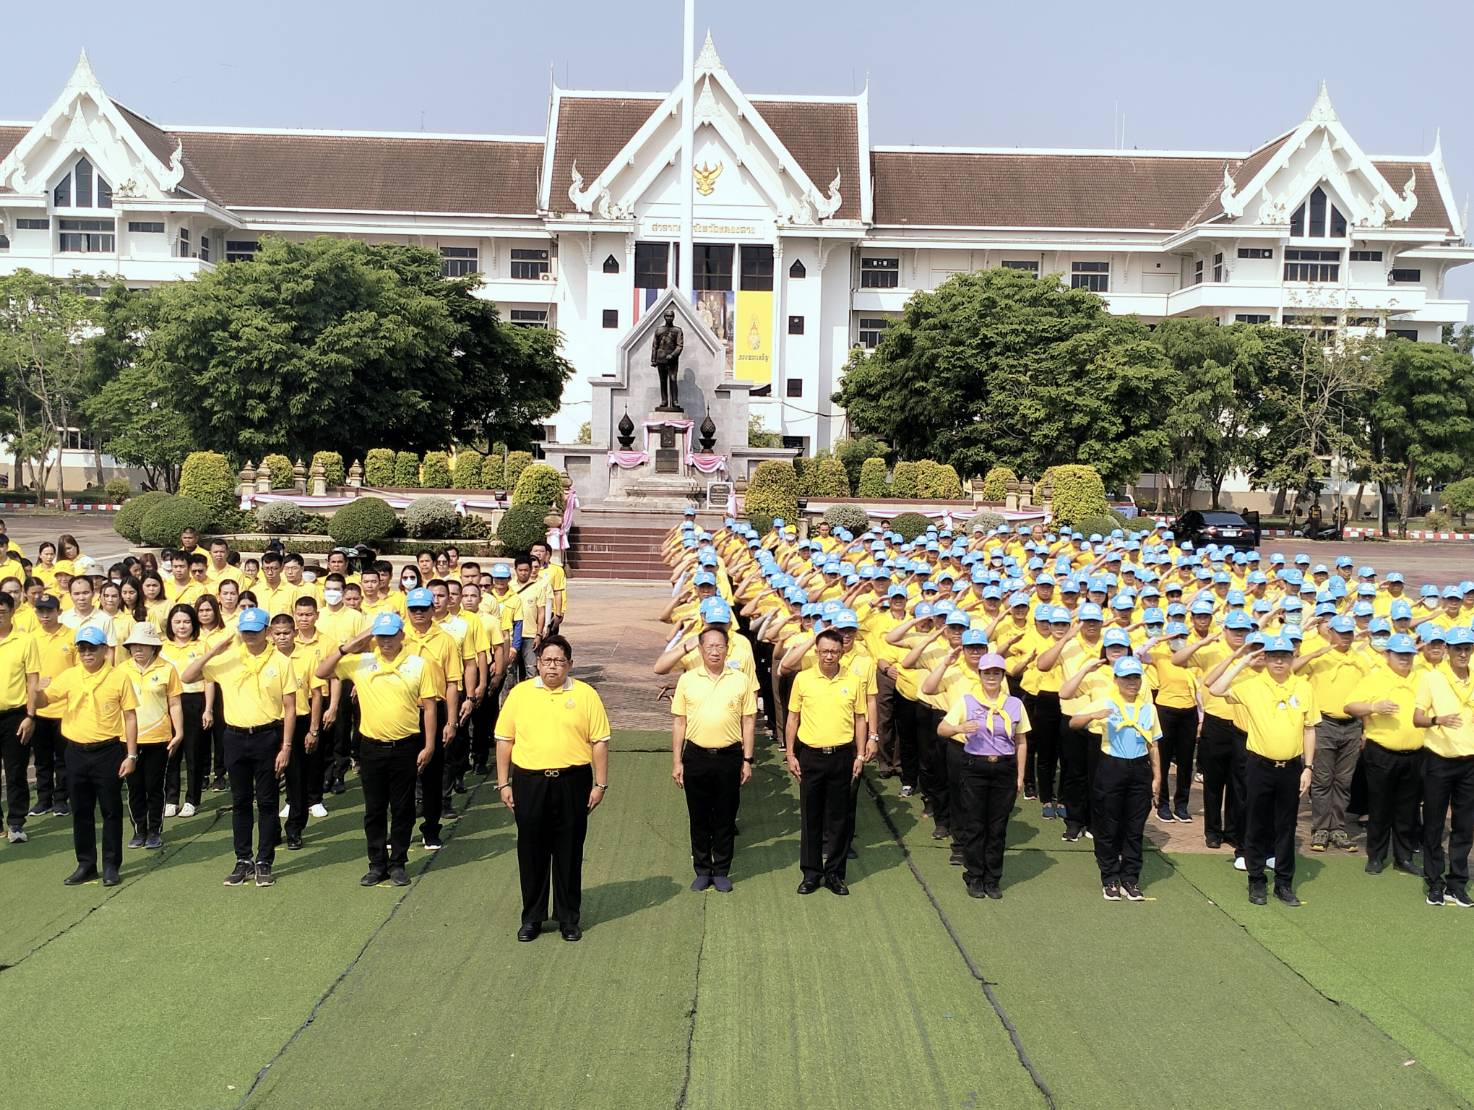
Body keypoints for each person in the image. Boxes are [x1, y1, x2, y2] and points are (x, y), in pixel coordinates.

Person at [494, 635, 611, 942]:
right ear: (537, 663)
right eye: (547, 660)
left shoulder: (586, 695)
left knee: (569, 849)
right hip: (529, 782)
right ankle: (532, 917)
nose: (553, 667)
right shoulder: (520, 694)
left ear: (570, 665)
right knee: (531, 850)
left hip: (573, 780)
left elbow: (599, 741)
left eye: (560, 661)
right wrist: (503, 781)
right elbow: (504, 740)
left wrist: (600, 783)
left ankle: (568, 917)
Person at [316, 612, 440, 886]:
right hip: (371, 748)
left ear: (401, 636)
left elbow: (430, 707)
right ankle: (376, 863)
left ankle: (398, 862)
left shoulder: (419, 664)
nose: (385, 642)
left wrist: (429, 744)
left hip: (406, 746)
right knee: (374, 809)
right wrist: (352, 643)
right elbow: (322, 671)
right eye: (380, 636)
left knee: (402, 808)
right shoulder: (362, 661)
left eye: (390, 635)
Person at [183, 607, 296, 888]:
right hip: (234, 737)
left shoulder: (281, 661)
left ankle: (264, 860)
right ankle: (243, 859)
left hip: (267, 736)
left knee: (268, 802)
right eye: (245, 631)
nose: (250, 636)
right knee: (241, 801)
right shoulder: (229, 659)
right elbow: (187, 677)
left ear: (267, 631)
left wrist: (286, 746)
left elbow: (290, 708)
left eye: (256, 631)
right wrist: (214, 650)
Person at [1210, 635, 1318, 907]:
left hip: (1292, 766)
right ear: (1265, 658)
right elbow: (1216, 688)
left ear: (1292, 658)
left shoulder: (1303, 687)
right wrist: (1243, 658)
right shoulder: (1252, 685)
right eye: (1273, 656)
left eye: (1284, 656)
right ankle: (1256, 880)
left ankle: (1284, 883)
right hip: (1259, 765)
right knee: (1256, 823)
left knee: (1286, 826)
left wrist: (1308, 767)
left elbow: (1309, 728)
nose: (1279, 661)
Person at [35, 626, 138, 886]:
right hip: (76, 751)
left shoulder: (119, 677)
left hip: (108, 751)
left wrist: (132, 755)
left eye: (92, 648)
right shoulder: (70, 676)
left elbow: (130, 716)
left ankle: (111, 865)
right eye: (82, 648)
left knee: (111, 810)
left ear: (104, 649)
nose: (87, 653)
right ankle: (86, 864)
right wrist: (37, 690)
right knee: (81, 810)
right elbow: (42, 702)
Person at [671, 626, 756, 892]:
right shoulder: (688, 680)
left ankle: (721, 869)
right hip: (696, 755)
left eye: (720, 646)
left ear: (727, 649)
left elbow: (749, 721)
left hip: (729, 756)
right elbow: (679, 722)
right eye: (710, 646)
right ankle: (702, 869)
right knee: (698, 815)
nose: (715, 651)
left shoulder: (740, 680)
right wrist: (677, 761)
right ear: (700, 650)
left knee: (725, 815)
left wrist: (747, 759)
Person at [938, 651, 1029, 898]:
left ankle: (993, 878)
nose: (991, 677)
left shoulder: (1014, 704)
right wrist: (959, 728)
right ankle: (974, 875)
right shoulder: (968, 701)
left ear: (1002, 676)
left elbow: (1021, 740)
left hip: (1004, 767)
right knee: (975, 823)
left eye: (996, 673)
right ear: (980, 675)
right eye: (987, 673)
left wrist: (1020, 776)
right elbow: (942, 728)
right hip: (975, 766)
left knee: (998, 826)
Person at [1071, 656, 1162, 902]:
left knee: (1134, 828)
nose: (1132, 682)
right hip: (1112, 767)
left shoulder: (1148, 708)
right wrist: (1094, 715)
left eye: (1136, 677)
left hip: (1139, 769)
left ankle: (1130, 879)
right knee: (1108, 826)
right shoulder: (1107, 701)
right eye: (1127, 678)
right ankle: (1110, 878)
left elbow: (1153, 744)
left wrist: (1157, 777)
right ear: (1116, 679)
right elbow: (1074, 722)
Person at [785, 627, 866, 896]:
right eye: (824, 651)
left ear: (842, 651)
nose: (829, 656)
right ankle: (811, 873)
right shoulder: (803, 679)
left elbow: (860, 719)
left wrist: (861, 754)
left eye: (834, 651)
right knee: (811, 817)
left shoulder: (853, 680)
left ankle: (834, 874)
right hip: (811, 755)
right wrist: (790, 753)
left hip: (842, 755)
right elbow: (793, 718)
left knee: (839, 819)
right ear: (816, 652)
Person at [1345, 634, 1424, 876]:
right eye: (1399, 655)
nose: (1404, 659)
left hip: (1415, 753)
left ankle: (1404, 857)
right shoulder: (1376, 679)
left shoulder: (1423, 678)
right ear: (1387, 655)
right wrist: (1373, 707)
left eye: (1408, 655)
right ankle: (1376, 856)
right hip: (1382, 752)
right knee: (1379, 807)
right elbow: (1349, 706)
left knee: (1408, 809)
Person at [1296, 614, 1369, 853]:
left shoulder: (1360, 660)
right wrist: (1316, 654)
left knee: (1344, 780)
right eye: (1341, 633)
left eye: (1349, 633)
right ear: (1331, 632)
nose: (1345, 637)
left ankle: (1338, 827)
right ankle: (1320, 828)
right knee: (1322, 780)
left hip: (1352, 724)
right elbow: (1292, 669)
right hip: (1324, 724)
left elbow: (1368, 695)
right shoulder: (1320, 655)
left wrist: (1365, 729)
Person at [1416, 625, 1474, 907]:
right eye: (1458, 649)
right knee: (1435, 825)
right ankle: (1435, 883)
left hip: (1470, 763)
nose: (1463, 653)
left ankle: (1457, 884)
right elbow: (1417, 718)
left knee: (1464, 826)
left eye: (1467, 648)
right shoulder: (1433, 678)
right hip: (1439, 760)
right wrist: (1438, 720)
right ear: (1448, 652)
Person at [119, 622, 183, 850]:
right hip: (128, 739)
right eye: (134, 645)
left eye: (143, 645)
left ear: (153, 647)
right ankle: (139, 830)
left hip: (158, 737)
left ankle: (155, 830)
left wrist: (179, 731)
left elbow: (174, 702)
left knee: (154, 786)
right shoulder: (122, 670)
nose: (138, 649)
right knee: (134, 787)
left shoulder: (167, 668)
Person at [160, 603, 211, 818]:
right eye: (177, 622)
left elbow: (210, 680)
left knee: (193, 752)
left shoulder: (202, 645)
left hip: (194, 700)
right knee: (171, 752)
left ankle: (192, 799)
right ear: (170, 624)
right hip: (168, 702)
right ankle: (171, 798)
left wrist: (208, 709)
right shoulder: (162, 647)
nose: (182, 626)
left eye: (186, 622)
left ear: (194, 624)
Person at [0, 591, 40, 843]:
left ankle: (16, 822)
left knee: (15, 771)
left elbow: (32, 679)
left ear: (12, 611)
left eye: (3, 609)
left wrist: (30, 715)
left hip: (15, 716)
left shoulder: (25, 640)